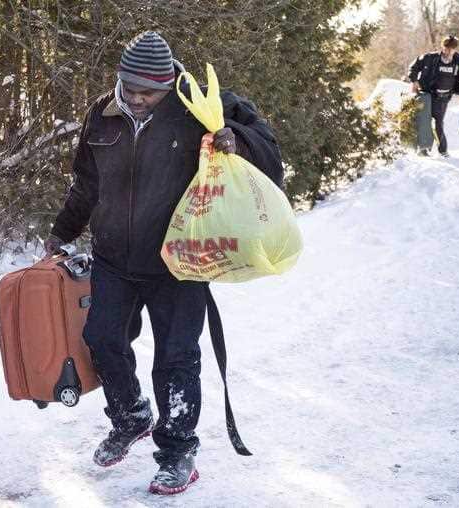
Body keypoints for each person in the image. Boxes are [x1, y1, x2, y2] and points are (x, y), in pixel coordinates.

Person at [44, 31, 282, 495]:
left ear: (167, 83)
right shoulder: (103, 114)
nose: (134, 99)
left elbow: (269, 153)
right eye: (128, 88)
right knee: (101, 339)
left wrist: (238, 141)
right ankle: (131, 416)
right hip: (114, 256)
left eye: (146, 92)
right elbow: (86, 185)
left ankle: (177, 453)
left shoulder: (202, 107)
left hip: (181, 260)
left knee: (175, 358)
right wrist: (61, 232)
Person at [408, 35, 459, 157]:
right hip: (428, 96)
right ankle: (424, 149)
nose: (448, 51)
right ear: (442, 47)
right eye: (446, 48)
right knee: (425, 121)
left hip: (443, 98)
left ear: (455, 49)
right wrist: (414, 80)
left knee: (438, 123)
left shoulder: (458, 61)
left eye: (451, 48)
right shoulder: (430, 58)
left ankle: (442, 151)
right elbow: (413, 67)